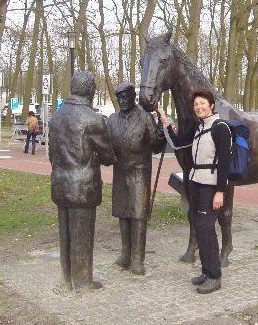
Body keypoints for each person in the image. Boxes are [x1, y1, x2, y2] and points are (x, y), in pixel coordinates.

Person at [157, 88, 231, 294]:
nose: (198, 107)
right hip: (196, 184)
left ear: (212, 105)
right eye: (196, 104)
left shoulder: (220, 128)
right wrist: (164, 121)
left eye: (202, 103)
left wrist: (220, 192)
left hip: (211, 186)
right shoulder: (198, 128)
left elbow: (225, 163)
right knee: (202, 228)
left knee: (205, 227)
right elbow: (178, 143)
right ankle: (208, 272)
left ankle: (215, 276)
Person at [49, 71, 116, 292]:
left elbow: (52, 153)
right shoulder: (92, 119)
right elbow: (107, 156)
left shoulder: (57, 116)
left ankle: (68, 278)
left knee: (66, 235)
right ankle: (83, 281)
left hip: (60, 182)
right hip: (83, 185)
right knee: (83, 235)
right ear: (91, 91)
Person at [107, 82, 165, 276]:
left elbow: (155, 147)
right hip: (120, 172)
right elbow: (106, 145)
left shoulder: (145, 118)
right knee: (123, 212)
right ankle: (125, 254)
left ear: (133, 97)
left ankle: (138, 258)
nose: (122, 101)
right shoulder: (112, 119)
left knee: (138, 214)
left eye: (126, 97)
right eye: (119, 98)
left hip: (139, 172)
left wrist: (161, 133)